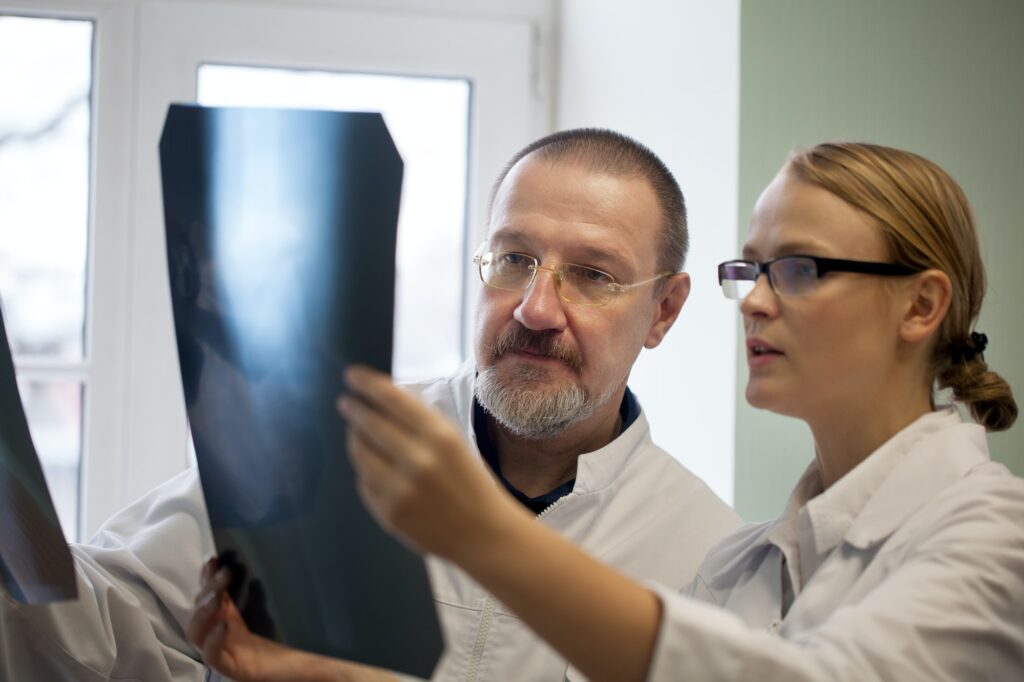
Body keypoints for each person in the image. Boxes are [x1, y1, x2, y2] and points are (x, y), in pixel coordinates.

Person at [190, 141, 1023, 681]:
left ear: (921, 307)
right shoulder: (742, 567)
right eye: (753, 269)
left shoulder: (995, 541)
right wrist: (311, 674)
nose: (754, 305)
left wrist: (479, 530)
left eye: (799, 270)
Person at [0, 128, 740, 681]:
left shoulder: (713, 562)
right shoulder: (330, 447)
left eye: (593, 275)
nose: (536, 308)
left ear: (666, 310)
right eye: (513, 259)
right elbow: (92, 624)